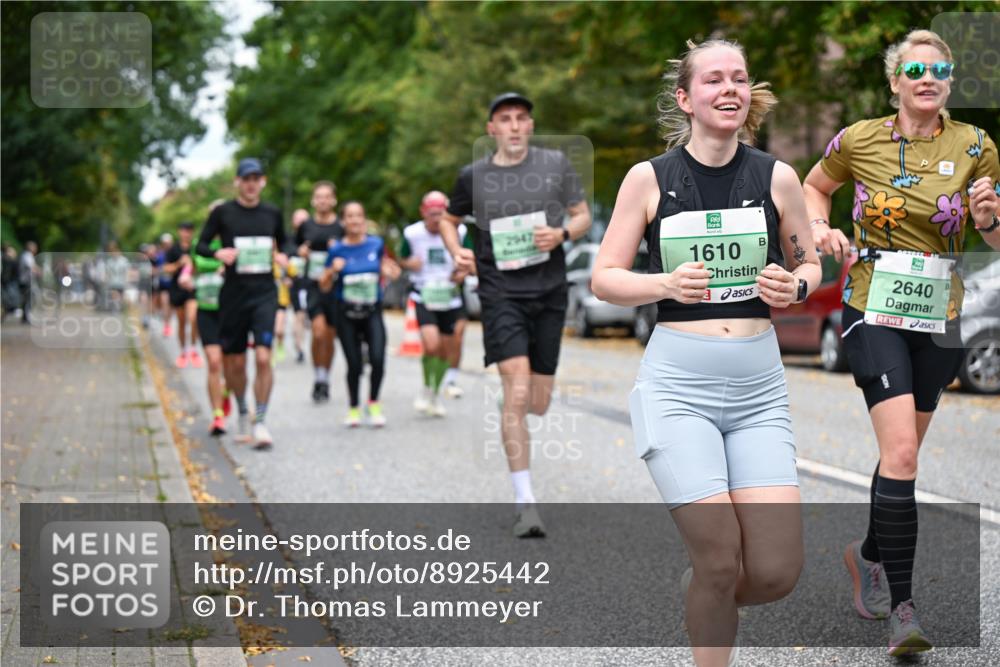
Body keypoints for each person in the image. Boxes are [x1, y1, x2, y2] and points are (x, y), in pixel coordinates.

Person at [591, 38, 821, 667]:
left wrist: (794, 284)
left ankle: (704, 597)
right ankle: (711, 611)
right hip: (678, 388)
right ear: (686, 99)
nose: (730, 89)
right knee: (720, 557)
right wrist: (662, 284)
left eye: (740, 79)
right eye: (714, 80)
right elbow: (604, 277)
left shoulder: (776, 176)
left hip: (758, 393)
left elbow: (810, 264)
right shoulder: (649, 178)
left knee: (776, 572)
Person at [802, 29, 1000, 657]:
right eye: (915, 67)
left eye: (940, 67)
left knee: (900, 455)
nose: (927, 76)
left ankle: (866, 555)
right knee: (905, 456)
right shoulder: (858, 140)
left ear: (948, 81)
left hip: (940, 310)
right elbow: (814, 188)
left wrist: (990, 216)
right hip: (873, 303)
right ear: (895, 81)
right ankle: (904, 611)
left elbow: (994, 238)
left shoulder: (976, 145)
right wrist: (819, 229)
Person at [440, 92, 592, 537]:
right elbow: (450, 220)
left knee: (538, 403)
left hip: (548, 292)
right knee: (517, 388)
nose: (512, 126)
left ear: (530, 126)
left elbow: (581, 216)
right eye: (504, 119)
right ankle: (526, 502)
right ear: (491, 129)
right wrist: (459, 253)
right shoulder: (474, 176)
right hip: (500, 292)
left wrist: (561, 232)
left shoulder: (555, 166)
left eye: (520, 118)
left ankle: (520, 410)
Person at [196, 157, 288, 449]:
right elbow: (201, 245)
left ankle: (260, 421)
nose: (251, 184)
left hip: (264, 293)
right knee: (234, 363)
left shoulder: (272, 213)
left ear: (262, 182)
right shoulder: (223, 213)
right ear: (238, 182)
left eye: (256, 178)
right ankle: (242, 410)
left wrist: (285, 254)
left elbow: (286, 242)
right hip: (234, 295)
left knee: (263, 357)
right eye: (246, 179)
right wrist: (217, 254)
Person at [319, 201, 400, 428]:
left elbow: (391, 269)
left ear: (364, 220)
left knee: (378, 359)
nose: (355, 220)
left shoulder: (376, 244)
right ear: (343, 221)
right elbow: (324, 285)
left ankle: (373, 402)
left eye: (359, 216)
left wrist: (390, 271)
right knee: (354, 364)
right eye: (350, 216)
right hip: (346, 313)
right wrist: (331, 270)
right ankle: (353, 407)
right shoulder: (336, 249)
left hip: (372, 311)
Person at [399, 191, 472, 417]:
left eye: (441, 214)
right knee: (431, 345)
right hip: (425, 295)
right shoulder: (412, 233)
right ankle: (426, 386)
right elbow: (401, 258)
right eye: (432, 215)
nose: (437, 220)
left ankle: (435, 392)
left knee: (445, 349)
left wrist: (462, 273)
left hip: (450, 295)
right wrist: (410, 263)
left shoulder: (460, 231)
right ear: (423, 212)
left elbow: (470, 258)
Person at [180, 201, 231, 436]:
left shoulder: (233, 242)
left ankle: (228, 393)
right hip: (207, 308)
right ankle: (217, 416)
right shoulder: (200, 245)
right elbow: (190, 267)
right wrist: (186, 277)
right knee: (213, 361)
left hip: (232, 311)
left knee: (232, 366)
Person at [297, 182, 345, 402]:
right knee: (318, 333)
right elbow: (291, 246)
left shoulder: (341, 227)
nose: (323, 201)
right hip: (313, 286)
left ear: (334, 199)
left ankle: (324, 377)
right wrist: (301, 251)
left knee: (329, 336)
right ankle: (318, 374)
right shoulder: (306, 226)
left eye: (327, 197)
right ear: (313, 200)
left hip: (336, 288)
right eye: (319, 197)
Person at [164, 222, 201, 368]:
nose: (187, 233)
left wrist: (193, 265)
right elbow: (166, 269)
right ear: (179, 232)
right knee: (181, 322)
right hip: (177, 289)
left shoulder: (196, 248)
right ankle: (183, 352)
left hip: (193, 289)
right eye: (184, 230)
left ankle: (193, 349)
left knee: (193, 319)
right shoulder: (173, 249)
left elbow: (202, 267)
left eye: (189, 230)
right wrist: (179, 264)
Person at [287, 208, 310, 364]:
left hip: (314, 283)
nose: (301, 223)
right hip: (296, 283)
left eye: (304, 220)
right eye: (298, 219)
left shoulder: (314, 237)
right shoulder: (288, 239)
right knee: (299, 315)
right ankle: (299, 346)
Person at [156, 233, 174, 335]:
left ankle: (168, 323)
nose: (167, 245)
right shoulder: (160, 255)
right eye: (165, 243)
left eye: (168, 243)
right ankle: (166, 325)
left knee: (171, 306)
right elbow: (158, 268)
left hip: (173, 284)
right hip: (163, 284)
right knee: (164, 303)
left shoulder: (174, 253)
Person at [18, 241, 38, 324]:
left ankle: (25, 317)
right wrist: (38, 271)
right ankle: (26, 317)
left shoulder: (28, 255)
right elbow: (30, 266)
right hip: (26, 281)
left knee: (28, 299)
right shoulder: (27, 255)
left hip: (27, 280)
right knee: (28, 299)